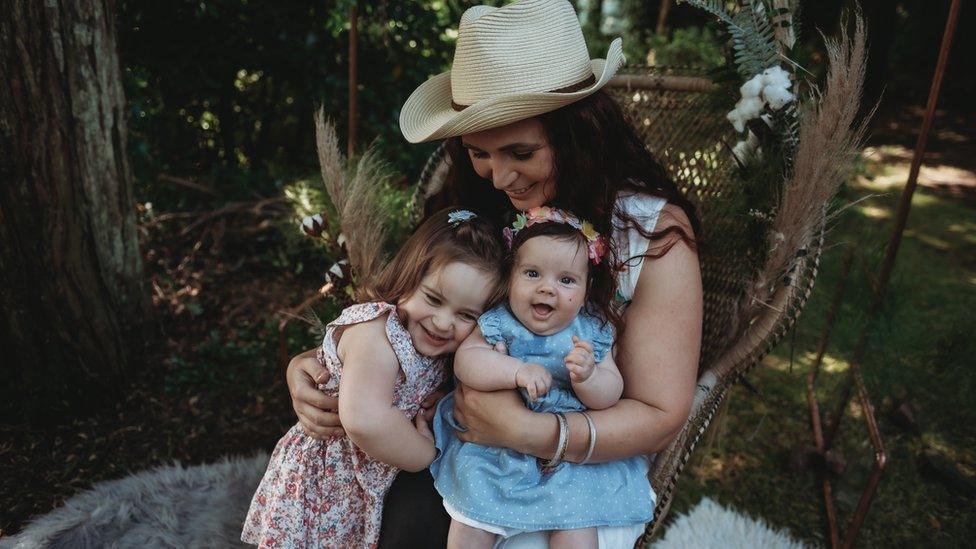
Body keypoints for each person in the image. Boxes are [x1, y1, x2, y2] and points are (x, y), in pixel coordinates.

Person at [286, 0, 703, 546]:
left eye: (520, 152)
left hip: (578, 459)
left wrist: (533, 433)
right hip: (448, 438)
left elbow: (660, 412)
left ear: (579, 132)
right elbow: (403, 314)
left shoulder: (650, 235)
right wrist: (316, 365)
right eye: (478, 152)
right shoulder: (475, 208)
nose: (500, 175)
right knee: (388, 515)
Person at [242, 208, 507, 548]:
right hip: (327, 478)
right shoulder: (376, 333)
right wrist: (428, 454)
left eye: (466, 315)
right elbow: (365, 420)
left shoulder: (428, 342)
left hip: (364, 476)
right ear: (408, 279)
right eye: (434, 299)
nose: (443, 322)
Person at [431, 207, 654, 548]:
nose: (547, 289)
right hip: (496, 450)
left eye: (566, 280)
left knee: (578, 528)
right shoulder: (499, 321)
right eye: (532, 273)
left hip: (566, 456)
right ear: (511, 277)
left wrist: (588, 378)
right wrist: (515, 371)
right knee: (470, 521)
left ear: (585, 289)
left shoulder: (591, 331)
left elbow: (611, 393)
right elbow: (468, 362)